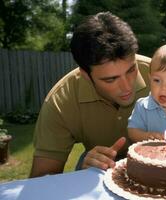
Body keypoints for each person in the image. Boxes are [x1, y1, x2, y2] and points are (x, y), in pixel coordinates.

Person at [29, 12, 151, 178]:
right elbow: (40, 182)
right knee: (85, 166)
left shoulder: (162, 77)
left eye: (131, 70)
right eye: (110, 79)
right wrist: (82, 179)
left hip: (157, 164)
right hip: (96, 166)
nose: (127, 86)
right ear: (86, 76)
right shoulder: (60, 102)